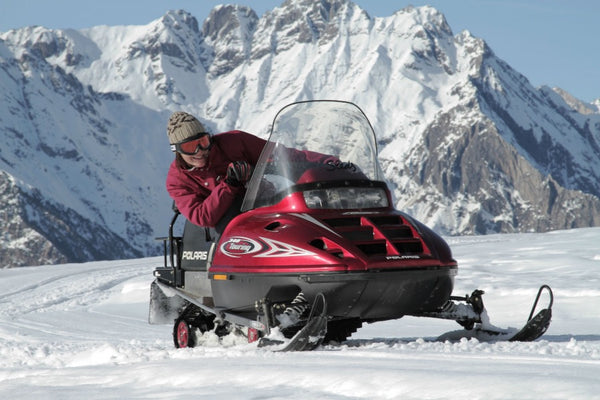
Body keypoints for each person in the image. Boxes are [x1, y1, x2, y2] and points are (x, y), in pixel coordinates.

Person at [165, 111, 266, 227]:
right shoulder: (177, 180)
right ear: (177, 150)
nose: (199, 151)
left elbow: (277, 154)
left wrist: (257, 170)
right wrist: (229, 184)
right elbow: (202, 216)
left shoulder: (235, 142)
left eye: (203, 142)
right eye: (189, 147)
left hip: (267, 205)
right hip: (230, 231)